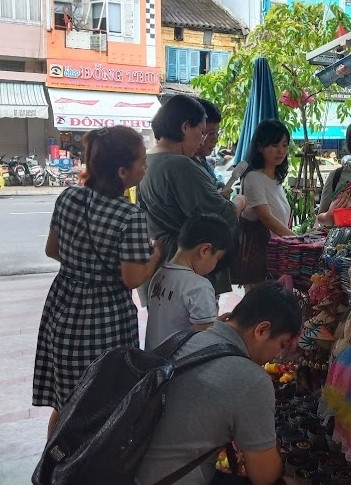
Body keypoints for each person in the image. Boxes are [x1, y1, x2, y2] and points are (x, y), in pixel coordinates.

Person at [33, 126, 162, 435]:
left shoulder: (69, 197)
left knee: (66, 404)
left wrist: (84, 267)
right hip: (104, 320)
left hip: (63, 308)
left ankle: (52, 469)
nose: (145, 166)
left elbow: (52, 249)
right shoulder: (129, 217)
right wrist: (155, 254)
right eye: (142, 161)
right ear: (122, 172)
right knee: (102, 403)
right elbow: (132, 279)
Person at [135, 281, 302, 485]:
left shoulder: (185, 337)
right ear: (262, 330)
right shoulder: (252, 379)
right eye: (281, 345)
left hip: (125, 469)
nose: (277, 356)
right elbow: (264, 476)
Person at [138, 94, 242, 303]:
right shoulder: (180, 165)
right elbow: (220, 216)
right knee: (194, 329)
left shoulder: (148, 160)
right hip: (186, 266)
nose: (203, 140)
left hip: (160, 263)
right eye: (202, 132)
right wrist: (239, 203)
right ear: (186, 127)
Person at [144, 213, 232, 351]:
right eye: (218, 258)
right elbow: (205, 338)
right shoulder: (199, 286)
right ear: (205, 250)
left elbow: (175, 322)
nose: (215, 265)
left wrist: (212, 322)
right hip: (180, 367)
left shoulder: (160, 274)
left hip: (153, 361)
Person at [241, 119, 295, 238]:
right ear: (260, 147)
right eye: (275, 145)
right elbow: (266, 217)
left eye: (284, 145)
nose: (281, 150)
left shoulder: (276, 179)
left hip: (277, 251)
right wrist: (298, 239)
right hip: (261, 253)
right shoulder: (253, 177)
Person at [194, 98, 222, 186]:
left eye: (217, 133)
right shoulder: (186, 167)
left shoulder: (202, 160)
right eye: (211, 133)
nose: (215, 140)